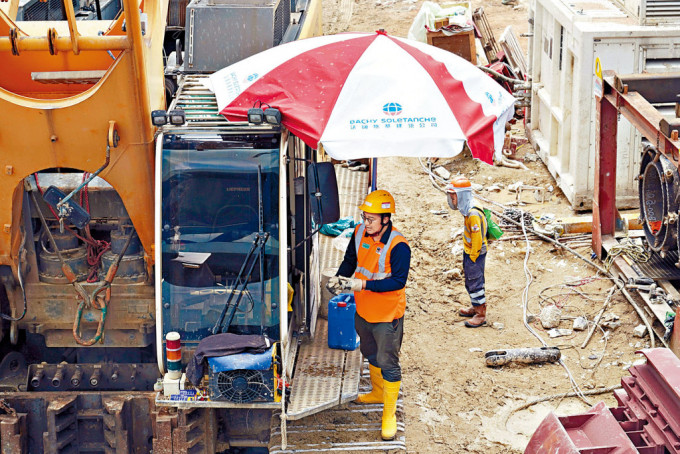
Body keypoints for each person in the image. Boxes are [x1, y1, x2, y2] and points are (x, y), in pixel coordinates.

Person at [328, 189, 411, 441]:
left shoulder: (399, 246)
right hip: (363, 311)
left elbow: (397, 282)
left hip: (387, 316)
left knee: (389, 362)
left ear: (386, 219)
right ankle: (377, 392)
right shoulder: (358, 233)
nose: (366, 223)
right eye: (364, 217)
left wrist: (361, 286)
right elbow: (350, 260)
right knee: (369, 353)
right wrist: (340, 277)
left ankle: (389, 415)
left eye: (371, 219)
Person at [446, 176, 488, 328]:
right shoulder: (468, 208)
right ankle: (475, 306)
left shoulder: (473, 214)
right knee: (469, 281)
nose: (452, 200)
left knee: (475, 281)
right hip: (470, 251)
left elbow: (477, 237)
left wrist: (473, 256)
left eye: (453, 196)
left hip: (474, 253)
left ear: (461, 195)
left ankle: (480, 314)